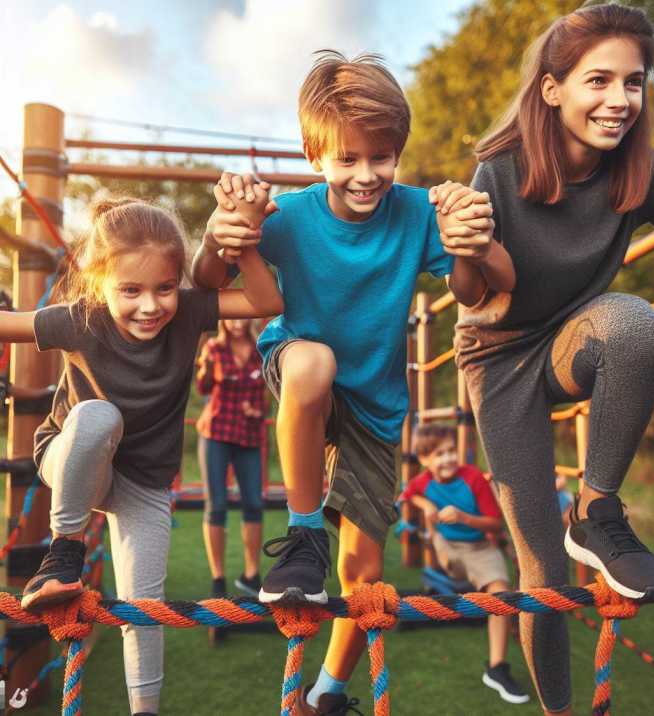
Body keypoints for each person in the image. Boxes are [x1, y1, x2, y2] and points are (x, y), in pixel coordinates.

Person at [192, 51, 514, 715]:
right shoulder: (290, 218)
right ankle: (304, 532)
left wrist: (469, 240)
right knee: (314, 365)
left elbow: (479, 288)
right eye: (347, 159)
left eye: (381, 157)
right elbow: (208, 280)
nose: (365, 174)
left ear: (397, 151)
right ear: (316, 155)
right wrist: (218, 236)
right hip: (305, 372)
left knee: (363, 575)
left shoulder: (416, 215)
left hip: (375, 406)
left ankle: (327, 691)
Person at [430, 5, 654, 714]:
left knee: (637, 323)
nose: (618, 100)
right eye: (598, 80)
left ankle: (596, 511)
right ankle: (560, 710)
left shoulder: (639, 170)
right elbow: (473, 294)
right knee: (542, 570)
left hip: (576, 339)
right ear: (553, 89)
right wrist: (459, 246)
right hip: (498, 360)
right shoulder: (501, 167)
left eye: (634, 82)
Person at [0, 197, 283, 716]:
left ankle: (144, 710)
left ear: (179, 280)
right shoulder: (79, 320)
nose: (150, 305)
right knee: (98, 417)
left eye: (165, 287)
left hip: (145, 484)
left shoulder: (191, 313)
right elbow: (8, 325)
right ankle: (64, 555)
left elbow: (265, 302)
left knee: (143, 611)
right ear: (100, 283)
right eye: (130, 290)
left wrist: (241, 246)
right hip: (73, 460)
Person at [401, 424, 529, 705]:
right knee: (444, 554)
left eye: (450, 451)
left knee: (501, 593)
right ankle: (446, 557)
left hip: (479, 546)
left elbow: (494, 522)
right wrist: (425, 506)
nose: (447, 459)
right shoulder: (423, 481)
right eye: (438, 454)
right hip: (447, 547)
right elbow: (406, 494)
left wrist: (463, 517)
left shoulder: (472, 479)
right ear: (424, 460)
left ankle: (496, 668)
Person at [195, 317, 266, 600]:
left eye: (242, 319)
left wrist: (256, 411)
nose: (237, 324)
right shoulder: (214, 348)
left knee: (254, 503)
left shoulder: (261, 349)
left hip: (248, 434)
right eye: (232, 319)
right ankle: (218, 579)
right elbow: (203, 389)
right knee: (217, 505)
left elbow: (265, 393)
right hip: (216, 432)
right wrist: (205, 369)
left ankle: (251, 575)